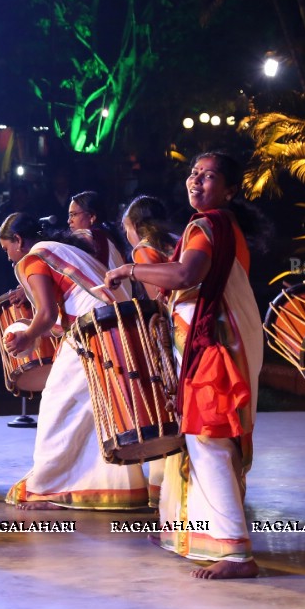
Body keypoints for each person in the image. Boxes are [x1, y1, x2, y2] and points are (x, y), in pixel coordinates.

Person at [104, 152, 263, 580]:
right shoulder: (219, 225)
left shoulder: (208, 225)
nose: (197, 181)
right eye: (194, 173)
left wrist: (128, 269)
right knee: (206, 440)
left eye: (210, 176)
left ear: (229, 189)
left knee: (208, 438)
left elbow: (185, 277)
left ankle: (235, 553)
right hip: (216, 342)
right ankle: (204, 536)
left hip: (216, 345)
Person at [0, 213, 151, 511]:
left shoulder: (31, 258)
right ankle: (116, 489)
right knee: (97, 410)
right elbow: (60, 312)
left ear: (18, 241)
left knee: (59, 404)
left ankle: (50, 487)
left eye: (7, 249)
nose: (8, 257)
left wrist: (27, 336)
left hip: (93, 328)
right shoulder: (64, 250)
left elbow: (47, 314)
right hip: (116, 324)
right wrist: (34, 326)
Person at [120, 194, 178, 507]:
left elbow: (160, 299)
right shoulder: (177, 240)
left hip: (172, 331)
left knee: (168, 404)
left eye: (127, 227)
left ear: (138, 227)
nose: (126, 234)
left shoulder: (143, 250)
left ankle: (164, 485)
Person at [68, 190, 127, 272]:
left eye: (73, 215)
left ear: (91, 216)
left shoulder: (92, 237)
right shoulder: (107, 234)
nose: (69, 221)